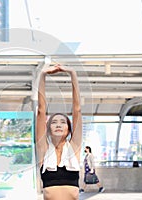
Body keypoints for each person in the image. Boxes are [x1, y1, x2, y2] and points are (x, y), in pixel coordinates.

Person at [36, 64, 82, 200]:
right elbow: (41, 111)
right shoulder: (43, 149)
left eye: (63, 122)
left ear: (68, 129)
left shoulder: (73, 148)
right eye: (54, 122)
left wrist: (73, 73)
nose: (58, 125)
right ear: (48, 129)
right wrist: (42, 75)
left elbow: (77, 110)